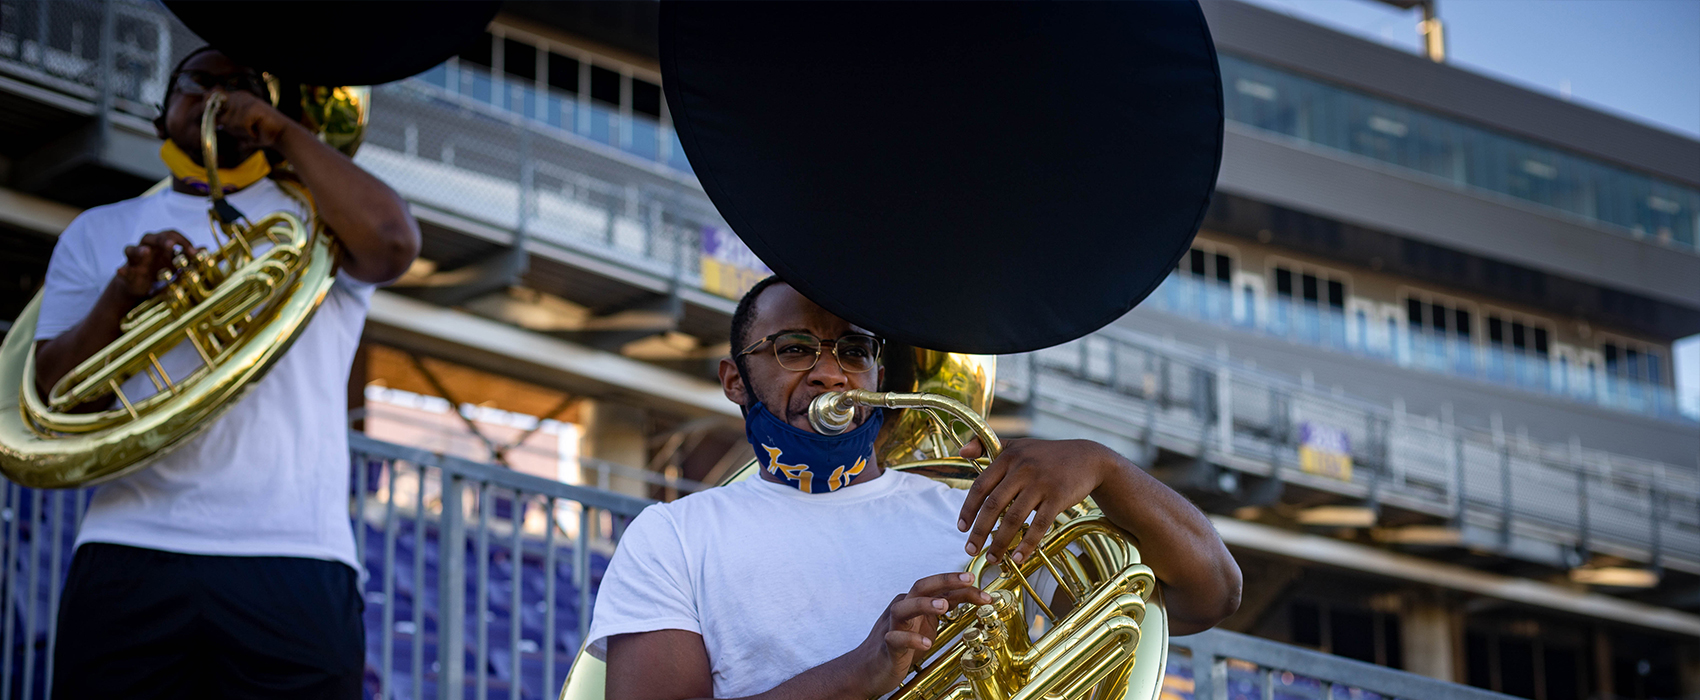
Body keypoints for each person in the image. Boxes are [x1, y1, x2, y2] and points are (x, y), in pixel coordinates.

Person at [588, 276, 1243, 700]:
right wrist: (862, 671)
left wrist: (1107, 468)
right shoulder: (675, 535)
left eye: (853, 350)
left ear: (878, 373)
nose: (828, 375)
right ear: (735, 381)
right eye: (793, 350)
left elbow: (1211, 594)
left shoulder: (975, 515)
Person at [36, 46, 419, 699]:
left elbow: (394, 241)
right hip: (130, 546)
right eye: (198, 83)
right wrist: (125, 292)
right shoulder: (100, 231)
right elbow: (52, 395)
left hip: (295, 552)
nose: (218, 97)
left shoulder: (318, 218)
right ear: (163, 113)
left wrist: (277, 131)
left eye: (240, 86)